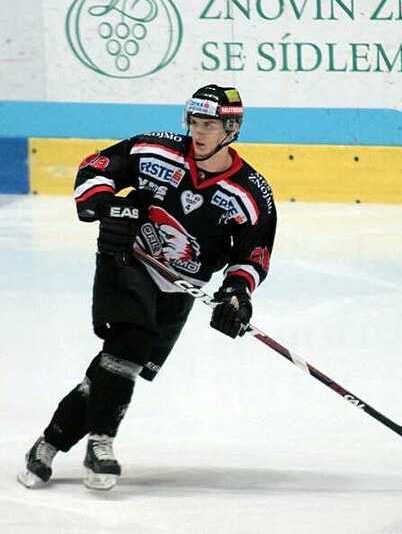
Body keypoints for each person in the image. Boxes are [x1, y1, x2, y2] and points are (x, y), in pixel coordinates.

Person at [17, 84, 277, 490]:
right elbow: (96, 167)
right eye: (195, 122)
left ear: (231, 130)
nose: (198, 132)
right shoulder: (154, 150)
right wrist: (103, 202)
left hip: (180, 287)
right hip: (129, 259)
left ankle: (47, 445)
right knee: (130, 344)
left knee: (115, 367)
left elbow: (253, 254)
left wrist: (236, 294)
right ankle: (101, 444)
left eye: (209, 125)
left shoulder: (250, 193)